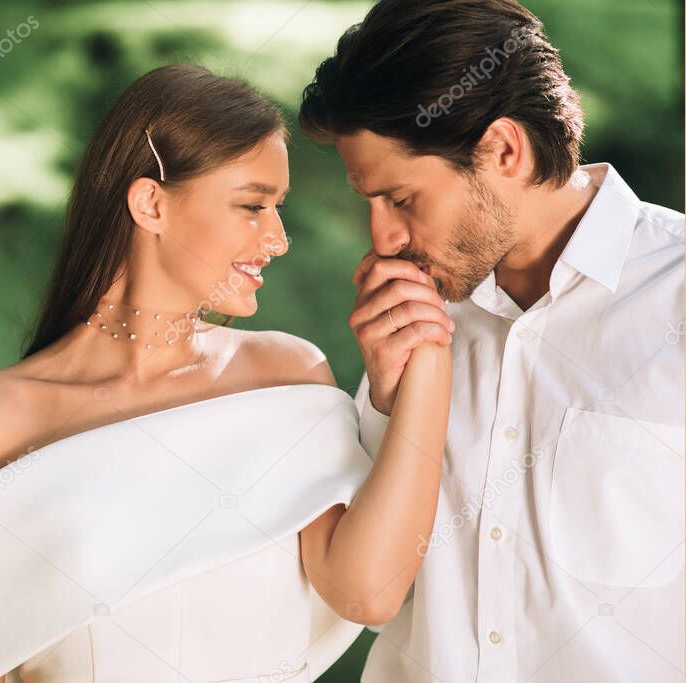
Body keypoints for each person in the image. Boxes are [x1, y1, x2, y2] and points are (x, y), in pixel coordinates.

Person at [0, 64, 452, 683]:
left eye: (278, 208)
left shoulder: (286, 378)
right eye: (252, 206)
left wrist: (427, 361)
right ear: (151, 203)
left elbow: (368, 595)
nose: (278, 238)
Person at [298, 1, 685, 681]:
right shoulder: (412, 323)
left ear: (503, 150)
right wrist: (386, 409)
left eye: (402, 199)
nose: (382, 239)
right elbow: (365, 597)